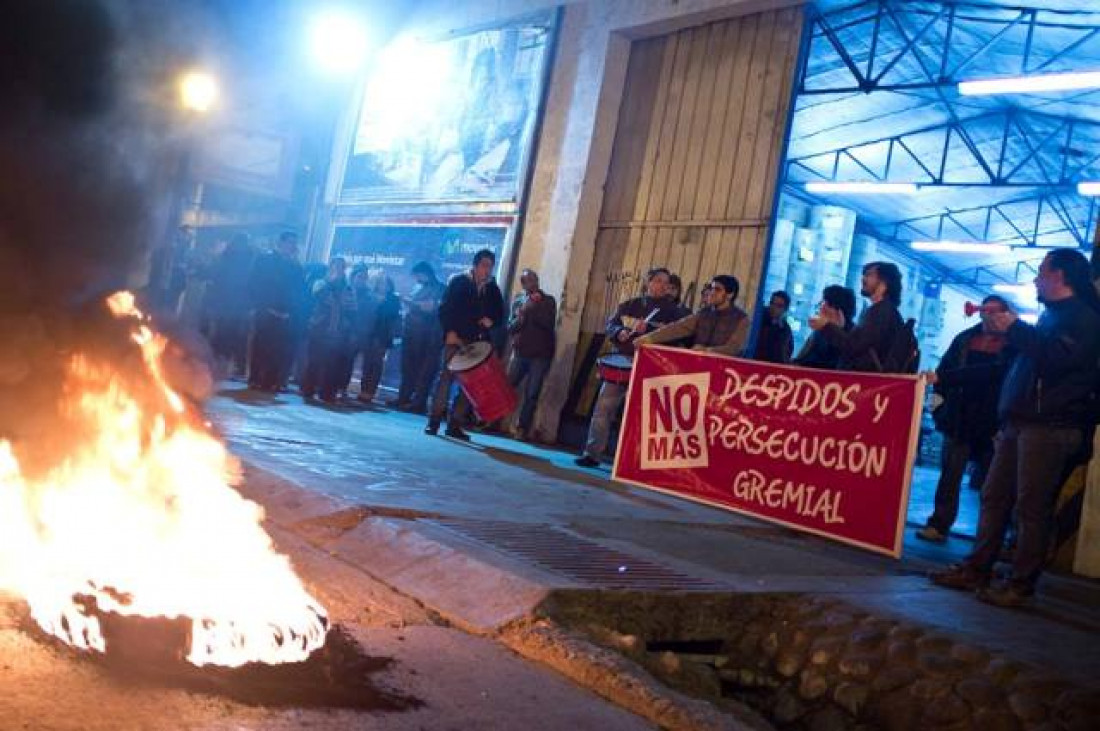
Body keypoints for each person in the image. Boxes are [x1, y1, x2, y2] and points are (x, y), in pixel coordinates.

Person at [931, 249, 1100, 607]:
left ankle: (1021, 584)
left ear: (1059, 276)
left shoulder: (1083, 320)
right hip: (1019, 424)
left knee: (1031, 506)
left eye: (1041, 272)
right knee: (994, 497)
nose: (1036, 279)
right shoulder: (1049, 318)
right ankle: (978, 567)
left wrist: (1016, 329)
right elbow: (1013, 368)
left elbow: (1056, 361)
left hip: (1049, 427)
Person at [917, 296, 1018, 544]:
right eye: (988, 312)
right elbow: (944, 371)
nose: (992, 317)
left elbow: (999, 375)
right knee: (950, 475)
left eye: (997, 313)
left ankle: (990, 537)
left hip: (993, 420)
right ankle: (939, 523)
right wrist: (940, 411)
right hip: (959, 417)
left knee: (993, 485)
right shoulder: (964, 339)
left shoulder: (1014, 345)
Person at [575, 268, 683, 468]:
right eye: (658, 281)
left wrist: (650, 330)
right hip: (622, 361)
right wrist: (619, 332)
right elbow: (611, 324)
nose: (662, 286)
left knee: (640, 415)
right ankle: (592, 453)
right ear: (648, 282)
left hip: (651, 366)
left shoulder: (675, 312)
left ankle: (633, 462)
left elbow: (676, 338)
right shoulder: (629, 305)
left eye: (666, 283)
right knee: (603, 408)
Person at [426, 249, 505, 440]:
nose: (487, 270)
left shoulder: (491, 289)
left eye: (490, 267)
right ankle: (434, 421)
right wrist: (449, 332)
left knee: (469, 385)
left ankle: (455, 424)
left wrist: (491, 320)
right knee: (446, 379)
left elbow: (500, 313)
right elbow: (446, 309)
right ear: (475, 265)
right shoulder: (459, 282)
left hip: (477, 342)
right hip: (456, 338)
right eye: (484, 266)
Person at [809, 261, 903, 372]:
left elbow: (854, 347)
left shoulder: (881, 312)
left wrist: (826, 326)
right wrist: (839, 329)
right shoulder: (885, 311)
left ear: (884, 282)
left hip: (864, 383)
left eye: (869, 275)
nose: (863, 279)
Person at [634, 274, 749, 355]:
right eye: (711, 288)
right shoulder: (704, 313)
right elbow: (678, 328)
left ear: (730, 295)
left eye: (717, 290)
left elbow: (733, 348)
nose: (711, 292)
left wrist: (707, 351)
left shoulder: (741, 319)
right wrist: (648, 338)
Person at [247, 231, 304, 392]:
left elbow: (299, 292)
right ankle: (255, 378)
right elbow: (254, 283)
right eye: (290, 242)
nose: (293, 247)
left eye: (295, 243)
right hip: (266, 311)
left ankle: (271, 381)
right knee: (261, 346)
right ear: (281, 243)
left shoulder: (295, 267)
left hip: (285, 315)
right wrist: (260, 305)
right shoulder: (264, 260)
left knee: (279, 349)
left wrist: (291, 312)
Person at [506, 269, 557, 441]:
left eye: (535, 279)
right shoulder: (519, 301)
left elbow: (548, 324)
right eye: (528, 281)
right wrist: (521, 315)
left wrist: (533, 308)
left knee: (532, 394)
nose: (533, 283)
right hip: (520, 353)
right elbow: (511, 327)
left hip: (540, 355)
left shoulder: (548, 301)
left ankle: (522, 428)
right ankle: (494, 419)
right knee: (507, 387)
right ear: (523, 284)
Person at [301, 257, 357, 403]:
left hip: (338, 331)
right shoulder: (321, 282)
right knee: (314, 360)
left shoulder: (348, 287)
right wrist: (334, 286)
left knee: (332, 364)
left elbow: (351, 305)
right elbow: (323, 297)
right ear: (330, 267)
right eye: (336, 266)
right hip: (319, 327)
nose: (339, 269)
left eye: (341, 267)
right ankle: (308, 389)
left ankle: (327, 393)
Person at [392, 262, 445, 413]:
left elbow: (432, 307)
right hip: (412, 334)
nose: (416, 279)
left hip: (426, 337)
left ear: (424, 273)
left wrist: (412, 303)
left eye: (417, 276)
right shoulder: (419, 287)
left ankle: (418, 403)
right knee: (408, 368)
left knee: (424, 371)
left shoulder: (439, 289)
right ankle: (403, 397)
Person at [205, 234, 256, 378]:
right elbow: (252, 283)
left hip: (226, 303)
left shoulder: (225, 257)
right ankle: (236, 367)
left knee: (222, 335)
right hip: (239, 304)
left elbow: (216, 279)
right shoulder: (251, 259)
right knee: (238, 337)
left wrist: (213, 303)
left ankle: (218, 364)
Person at [356, 271, 402, 404]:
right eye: (380, 283)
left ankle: (370, 393)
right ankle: (363, 390)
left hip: (382, 337)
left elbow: (391, 316)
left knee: (376, 365)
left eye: (385, 283)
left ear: (389, 286)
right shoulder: (370, 296)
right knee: (366, 364)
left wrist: (381, 303)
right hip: (368, 334)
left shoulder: (393, 299)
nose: (383, 286)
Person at [794, 285, 857, 370]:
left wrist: (835, 331)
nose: (821, 308)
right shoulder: (819, 332)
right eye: (822, 303)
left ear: (839, 311)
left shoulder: (852, 335)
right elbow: (801, 359)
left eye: (827, 304)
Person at [752, 290, 793, 364]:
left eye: (779, 306)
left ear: (785, 309)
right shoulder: (759, 319)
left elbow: (786, 352)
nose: (773, 307)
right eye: (772, 303)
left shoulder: (785, 329)